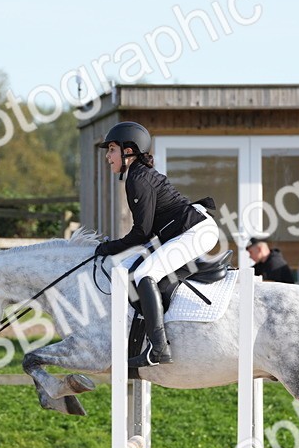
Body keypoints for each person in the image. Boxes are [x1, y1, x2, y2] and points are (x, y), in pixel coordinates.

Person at [93, 122, 219, 367]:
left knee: (144, 273)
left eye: (111, 149)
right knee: (132, 267)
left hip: (195, 232)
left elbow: (142, 233)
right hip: (183, 231)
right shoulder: (137, 175)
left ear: (128, 150)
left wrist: (108, 247)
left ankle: (159, 348)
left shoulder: (137, 179)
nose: (108, 157)